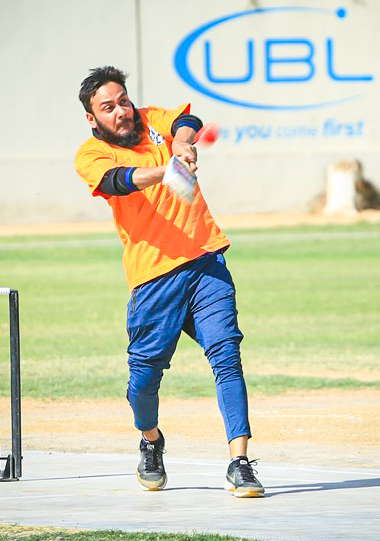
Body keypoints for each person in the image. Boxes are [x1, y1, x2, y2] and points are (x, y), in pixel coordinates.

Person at [74, 66, 264, 498]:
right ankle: (151, 440)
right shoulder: (91, 154)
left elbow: (187, 119)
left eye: (123, 101)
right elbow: (118, 182)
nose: (121, 111)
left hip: (205, 261)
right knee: (143, 381)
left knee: (227, 357)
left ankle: (240, 462)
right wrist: (167, 170)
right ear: (92, 117)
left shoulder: (150, 120)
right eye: (108, 107)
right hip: (153, 278)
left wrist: (181, 140)